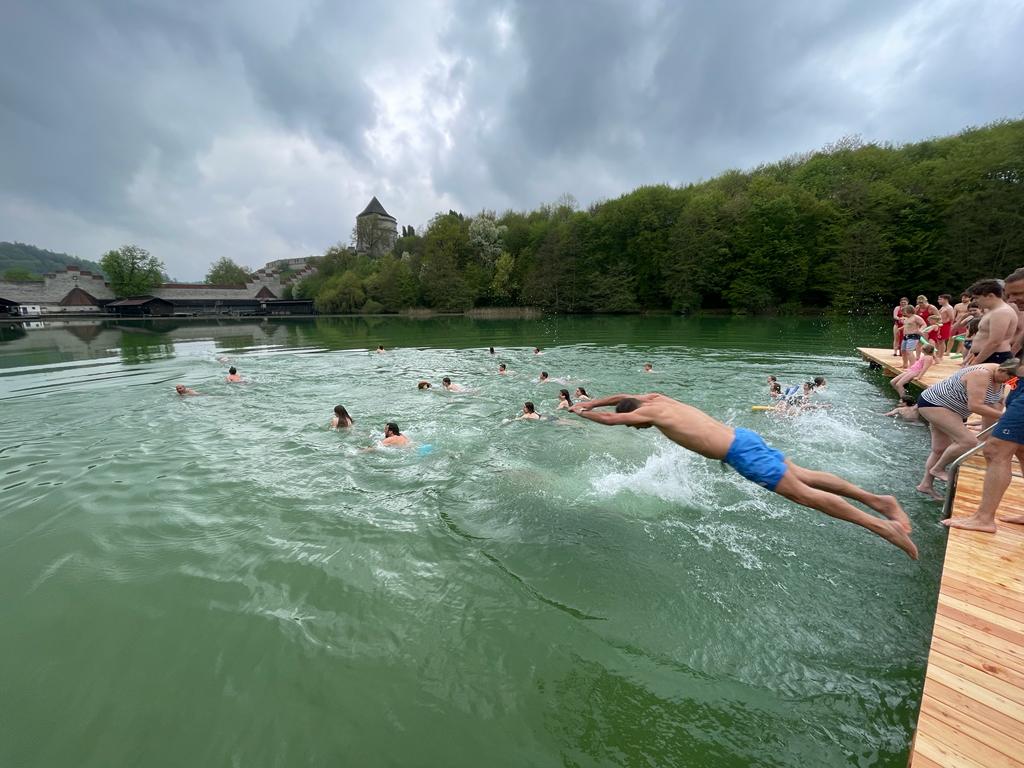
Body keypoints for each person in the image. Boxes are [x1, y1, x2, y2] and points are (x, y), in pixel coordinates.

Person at [569, 393, 916, 559]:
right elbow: (621, 399)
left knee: (804, 495)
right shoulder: (657, 399)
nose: (642, 428)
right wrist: (592, 402)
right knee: (806, 476)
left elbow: (615, 419)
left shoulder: (654, 416)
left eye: (639, 426)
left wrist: (581, 413)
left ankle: (882, 527)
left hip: (740, 454)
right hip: (743, 437)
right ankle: (880, 501)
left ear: (639, 419)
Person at [946, 271, 1024, 531]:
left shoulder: (1002, 312)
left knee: (995, 449)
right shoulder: (1012, 311)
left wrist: (974, 366)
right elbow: (1016, 344)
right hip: (1015, 375)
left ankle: (984, 519)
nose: (1013, 299)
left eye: (1019, 294)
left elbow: (995, 341)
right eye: (1011, 294)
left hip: (998, 365)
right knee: (1020, 449)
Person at [915, 360, 1016, 500]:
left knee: (940, 449)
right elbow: (974, 406)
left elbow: (996, 402)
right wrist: (1007, 417)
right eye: (1010, 378)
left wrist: (993, 430)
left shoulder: (1000, 378)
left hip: (953, 410)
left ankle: (925, 485)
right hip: (935, 404)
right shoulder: (981, 374)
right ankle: (938, 469)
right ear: (1003, 371)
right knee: (967, 441)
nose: (1011, 382)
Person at [962, 279, 1018, 365]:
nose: (975, 301)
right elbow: (983, 337)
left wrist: (976, 362)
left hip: (995, 357)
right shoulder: (992, 311)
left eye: (977, 298)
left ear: (990, 296)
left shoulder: (1001, 312)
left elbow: (995, 342)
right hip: (986, 356)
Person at [900, 305, 927, 369]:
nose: (903, 312)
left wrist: (920, 330)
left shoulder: (915, 317)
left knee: (909, 351)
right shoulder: (906, 318)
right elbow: (907, 326)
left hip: (913, 336)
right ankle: (905, 364)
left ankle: (913, 367)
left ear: (909, 311)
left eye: (905, 311)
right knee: (903, 351)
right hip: (906, 336)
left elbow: (924, 324)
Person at [934, 294, 955, 361]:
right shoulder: (943, 307)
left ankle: (940, 356)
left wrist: (944, 323)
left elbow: (952, 318)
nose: (938, 301)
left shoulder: (949, 307)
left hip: (945, 325)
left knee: (941, 341)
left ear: (945, 299)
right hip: (940, 325)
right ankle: (937, 354)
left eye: (940, 299)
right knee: (937, 340)